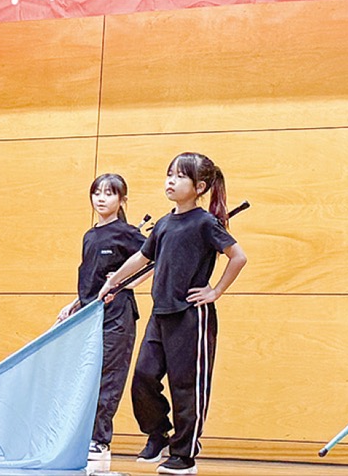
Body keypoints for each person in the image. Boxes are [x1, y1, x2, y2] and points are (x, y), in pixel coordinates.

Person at [97, 152, 248, 476]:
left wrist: (215, 291)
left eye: (179, 176)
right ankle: (158, 433)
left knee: (186, 387)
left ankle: (184, 454)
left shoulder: (206, 223)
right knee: (142, 378)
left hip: (191, 316)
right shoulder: (164, 223)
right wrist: (113, 282)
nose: (170, 181)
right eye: (169, 174)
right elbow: (141, 257)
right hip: (160, 314)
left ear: (200, 186)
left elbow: (238, 256)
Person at [56, 173, 146, 461]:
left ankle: (100, 440)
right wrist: (75, 303)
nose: (101, 198)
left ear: (122, 200)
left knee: (109, 377)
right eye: (97, 192)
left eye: (109, 193)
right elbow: (92, 279)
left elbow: (157, 257)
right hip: (89, 314)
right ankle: (84, 436)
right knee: (87, 376)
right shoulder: (90, 235)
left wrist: (130, 282)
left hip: (118, 316)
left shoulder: (128, 233)